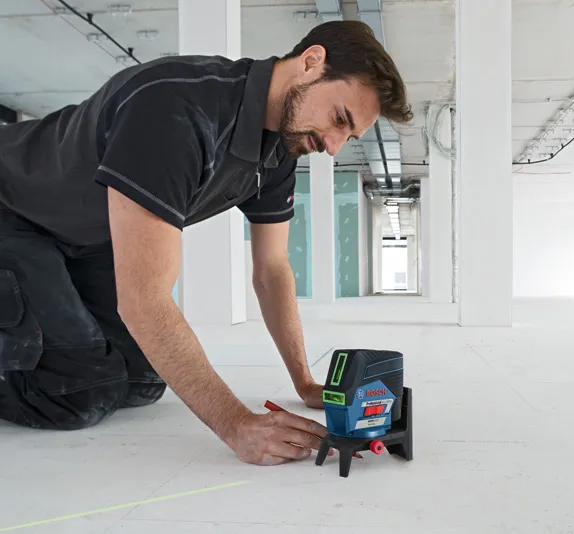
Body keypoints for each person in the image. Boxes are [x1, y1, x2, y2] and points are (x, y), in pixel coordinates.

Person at [0, 20, 413, 466]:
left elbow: (272, 270)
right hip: (14, 210)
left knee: (144, 380)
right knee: (79, 391)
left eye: (347, 138)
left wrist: (304, 383)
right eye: (338, 119)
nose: (332, 147)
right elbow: (143, 300)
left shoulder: (279, 150)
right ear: (311, 63)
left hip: (82, 235)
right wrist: (235, 424)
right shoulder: (173, 107)